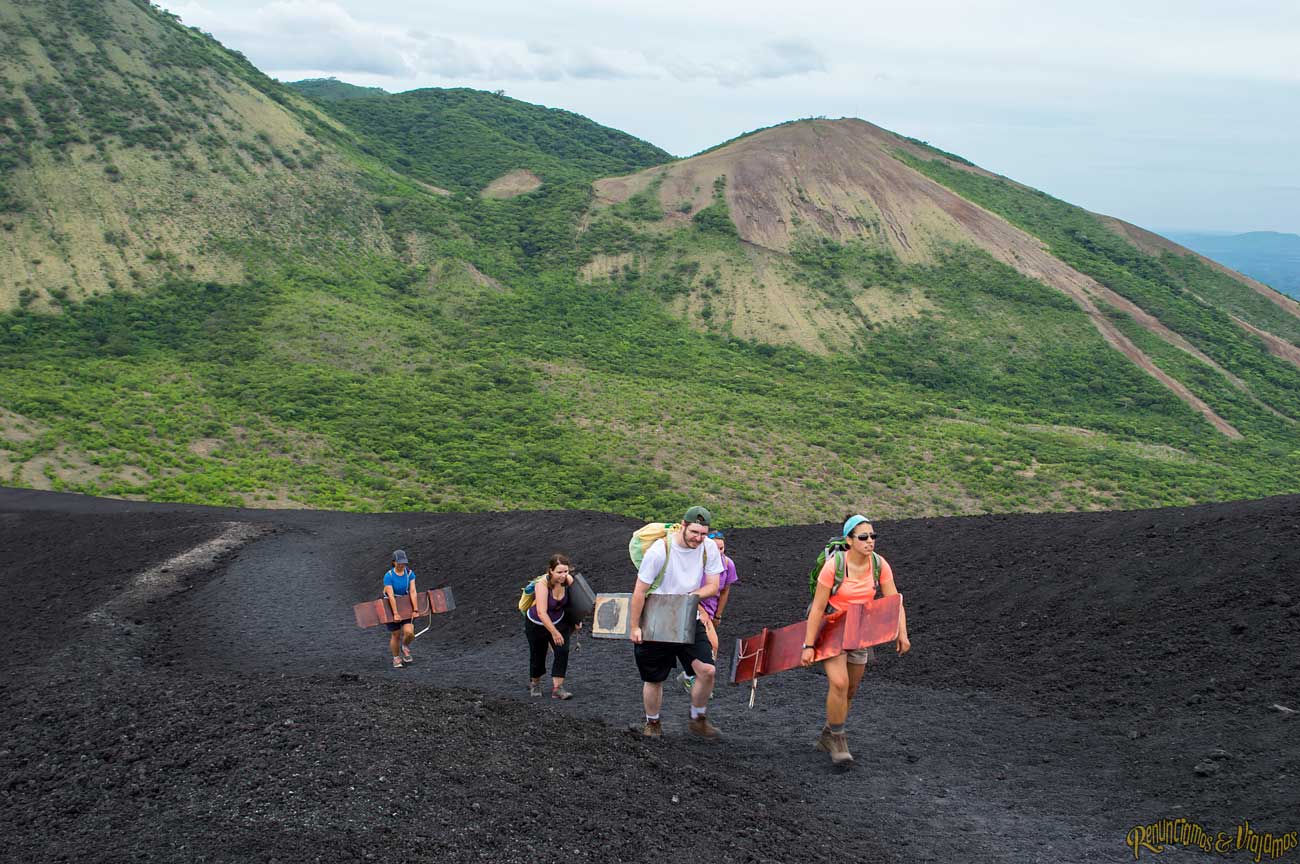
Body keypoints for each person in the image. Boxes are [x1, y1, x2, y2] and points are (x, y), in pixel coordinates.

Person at [800, 515, 911, 765]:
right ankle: (839, 739)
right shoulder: (834, 566)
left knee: (850, 689)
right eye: (863, 537)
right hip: (832, 627)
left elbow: (894, 602)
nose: (870, 541)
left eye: (873, 536)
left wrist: (902, 632)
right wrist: (808, 645)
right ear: (849, 540)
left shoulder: (880, 564)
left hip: (860, 629)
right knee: (839, 683)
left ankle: (828, 733)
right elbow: (817, 608)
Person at [631, 505, 723, 739]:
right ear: (683, 525)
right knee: (654, 677)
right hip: (657, 618)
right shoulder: (660, 550)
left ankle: (698, 718)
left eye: (703, 533)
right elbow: (640, 591)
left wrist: (693, 597)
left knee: (707, 670)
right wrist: (635, 626)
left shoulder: (708, 548)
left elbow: (713, 586)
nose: (698, 538)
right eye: (694, 532)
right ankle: (653, 723)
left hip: (687, 616)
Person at [679, 530, 739, 693]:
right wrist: (701, 611)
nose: (719, 552)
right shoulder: (698, 563)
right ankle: (699, 681)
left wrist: (718, 614)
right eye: (716, 548)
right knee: (713, 644)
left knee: (699, 644)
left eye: (722, 548)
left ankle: (691, 675)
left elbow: (725, 591)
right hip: (694, 607)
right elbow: (686, 589)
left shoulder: (727, 564)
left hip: (711, 610)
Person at [524, 553, 580, 700]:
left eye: (566, 571)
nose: (563, 575)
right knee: (538, 655)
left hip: (558, 620)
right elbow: (542, 613)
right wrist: (554, 633)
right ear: (551, 571)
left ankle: (558, 688)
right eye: (559, 572)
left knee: (563, 651)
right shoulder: (542, 584)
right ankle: (535, 683)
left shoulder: (568, 580)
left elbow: (575, 601)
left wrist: (576, 619)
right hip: (537, 624)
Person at [383, 550, 418, 669]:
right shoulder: (389, 576)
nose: (402, 565)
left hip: (406, 605)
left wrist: (416, 609)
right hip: (391, 606)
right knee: (396, 634)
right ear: (393, 562)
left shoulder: (409, 574)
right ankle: (396, 657)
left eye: (403, 563)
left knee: (409, 632)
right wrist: (395, 613)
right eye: (399, 563)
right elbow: (391, 596)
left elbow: (413, 591)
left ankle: (405, 646)